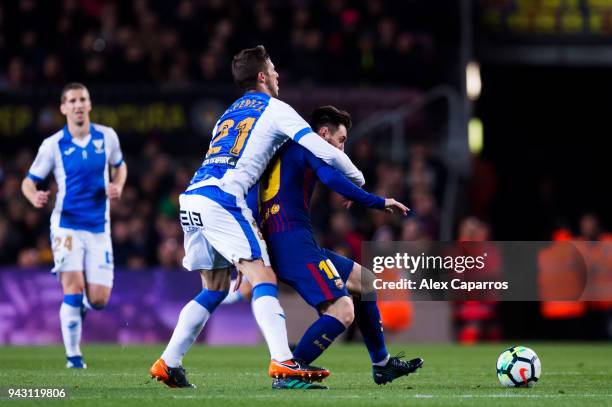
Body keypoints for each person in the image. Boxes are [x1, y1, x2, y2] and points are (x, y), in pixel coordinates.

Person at [149, 45, 365, 390]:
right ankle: (283, 361)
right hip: (222, 200)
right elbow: (322, 149)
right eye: (274, 69)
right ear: (262, 76)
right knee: (262, 277)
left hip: (193, 198)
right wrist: (359, 180)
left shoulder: (228, 113)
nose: (279, 75)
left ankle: (169, 362)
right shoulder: (277, 109)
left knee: (215, 288)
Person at [243, 105, 423, 386]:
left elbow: (254, 201)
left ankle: (382, 364)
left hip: (287, 243)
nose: (341, 148)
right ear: (323, 134)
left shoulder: (277, 152)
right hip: (293, 245)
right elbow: (329, 177)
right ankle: (290, 371)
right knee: (343, 309)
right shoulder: (308, 146)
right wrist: (376, 200)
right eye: (341, 141)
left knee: (364, 281)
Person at [21, 82, 127, 369]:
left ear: (89, 104)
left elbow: (120, 165)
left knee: (100, 299)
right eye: (72, 100)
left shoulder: (107, 137)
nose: (78, 105)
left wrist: (117, 185)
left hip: (98, 228)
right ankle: (74, 357)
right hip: (66, 225)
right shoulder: (53, 144)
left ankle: (80, 306)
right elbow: (28, 182)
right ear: (63, 108)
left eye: (83, 99)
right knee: (72, 287)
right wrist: (34, 197)